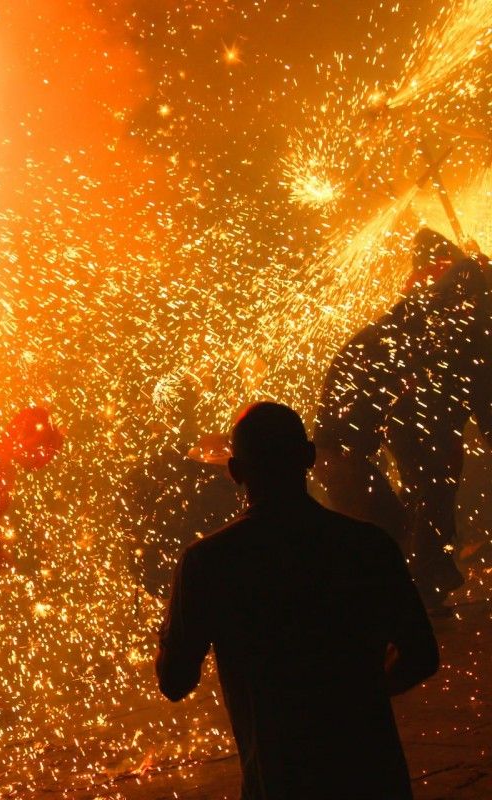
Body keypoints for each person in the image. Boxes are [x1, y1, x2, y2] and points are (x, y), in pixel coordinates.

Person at [157, 402, 438, 800]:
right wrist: (357, 693)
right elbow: (422, 654)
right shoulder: (367, 545)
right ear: (308, 456)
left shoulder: (209, 562)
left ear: (235, 472)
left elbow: (174, 681)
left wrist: (171, 628)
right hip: (371, 773)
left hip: (279, 780)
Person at [317, 228, 492, 610]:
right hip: (343, 445)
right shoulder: (457, 326)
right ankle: (408, 602)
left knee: (419, 503)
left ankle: (412, 594)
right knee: (396, 524)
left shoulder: (434, 316)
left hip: (353, 438)